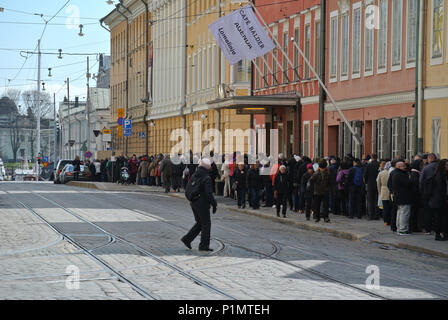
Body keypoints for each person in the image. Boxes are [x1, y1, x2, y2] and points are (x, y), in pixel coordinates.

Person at [181, 158, 217, 251]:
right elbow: (208, 193)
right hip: (202, 204)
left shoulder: (194, 174)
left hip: (193, 202)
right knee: (206, 224)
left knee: (200, 223)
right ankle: (203, 245)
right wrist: (214, 204)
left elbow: (188, 188)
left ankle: (187, 239)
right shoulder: (206, 177)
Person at [428, 159, 448, 241]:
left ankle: (444, 234)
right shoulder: (439, 176)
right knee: (438, 218)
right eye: (446, 165)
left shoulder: (444, 174)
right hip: (438, 200)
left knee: (443, 218)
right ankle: (438, 234)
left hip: (441, 200)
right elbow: (440, 190)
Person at [420, 153, 439, 234]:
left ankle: (428, 228)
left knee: (427, 211)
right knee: (438, 211)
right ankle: (437, 228)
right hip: (439, 192)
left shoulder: (426, 168)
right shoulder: (440, 166)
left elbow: (421, 181)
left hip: (428, 192)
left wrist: (421, 191)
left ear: (429, 159)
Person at [392, 161, 413, 235]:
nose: (405, 167)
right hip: (404, 197)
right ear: (399, 167)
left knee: (400, 213)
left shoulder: (395, 174)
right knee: (404, 213)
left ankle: (399, 228)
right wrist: (410, 178)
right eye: (403, 166)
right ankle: (403, 229)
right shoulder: (400, 175)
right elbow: (407, 183)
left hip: (399, 197)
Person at [364, 154, 380, 220]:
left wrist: (366, 182)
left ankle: (371, 215)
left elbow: (365, 175)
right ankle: (376, 215)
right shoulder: (379, 165)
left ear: (371, 158)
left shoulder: (369, 165)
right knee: (376, 200)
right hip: (378, 184)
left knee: (370, 200)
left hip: (370, 184)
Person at [409, 159, 423, 233]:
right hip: (415, 196)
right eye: (421, 165)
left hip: (415, 196)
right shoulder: (415, 174)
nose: (422, 166)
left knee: (415, 212)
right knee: (414, 212)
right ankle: (413, 227)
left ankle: (414, 227)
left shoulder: (415, 173)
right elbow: (416, 185)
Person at [377, 161, 392, 226]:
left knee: (385, 207)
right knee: (391, 207)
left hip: (383, 190)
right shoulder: (391, 173)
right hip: (390, 191)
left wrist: (380, 192)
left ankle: (386, 221)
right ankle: (391, 220)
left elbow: (378, 183)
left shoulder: (381, 173)